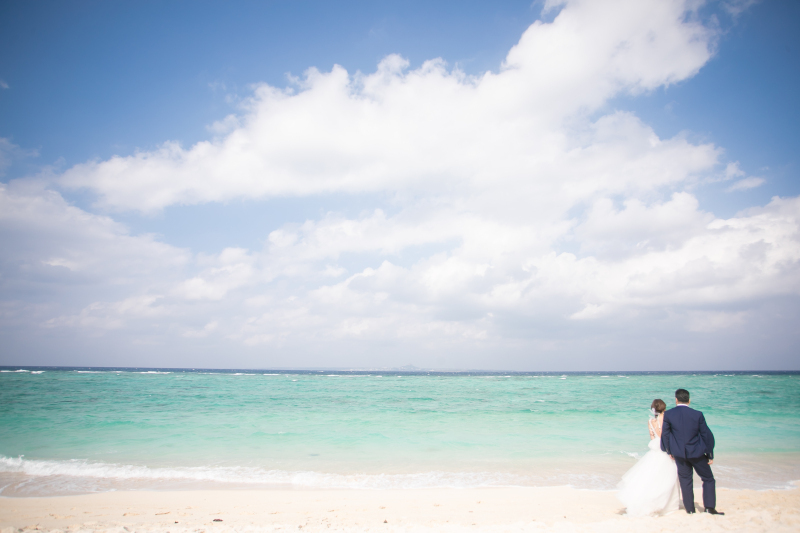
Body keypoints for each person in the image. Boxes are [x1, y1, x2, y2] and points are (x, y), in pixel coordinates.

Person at [660, 388, 724, 515]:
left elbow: (665, 435)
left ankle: (690, 510)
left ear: (676, 400)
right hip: (697, 453)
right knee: (708, 479)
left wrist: (668, 451)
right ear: (689, 400)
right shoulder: (697, 414)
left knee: (685, 480)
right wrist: (710, 453)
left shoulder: (669, 414)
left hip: (679, 454)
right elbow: (706, 435)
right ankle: (709, 508)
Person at [617, 399, 680, 516]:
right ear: (664, 408)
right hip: (666, 450)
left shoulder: (650, 421)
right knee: (668, 477)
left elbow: (653, 438)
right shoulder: (666, 419)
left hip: (655, 452)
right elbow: (668, 436)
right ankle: (668, 505)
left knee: (651, 476)